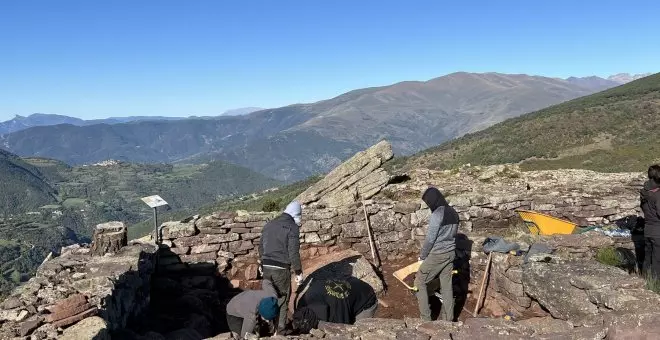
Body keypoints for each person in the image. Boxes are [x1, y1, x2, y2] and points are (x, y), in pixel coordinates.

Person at [258, 200, 304, 332]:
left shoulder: (269, 224)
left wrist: (262, 262)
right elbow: (293, 253)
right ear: (296, 214)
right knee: (283, 299)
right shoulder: (292, 227)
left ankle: (270, 327)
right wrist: (298, 272)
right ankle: (281, 329)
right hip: (281, 268)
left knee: (270, 296)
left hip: (266, 267)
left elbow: (261, 247)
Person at [415, 186, 459, 321]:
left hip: (438, 254)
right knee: (446, 286)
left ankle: (426, 319)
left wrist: (422, 257)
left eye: (428, 202)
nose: (429, 205)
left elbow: (430, 239)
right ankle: (448, 319)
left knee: (419, 282)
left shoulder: (437, 214)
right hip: (450, 253)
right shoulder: (453, 212)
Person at [291, 276, 378, 334]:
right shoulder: (305, 300)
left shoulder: (337, 311)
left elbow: (344, 329)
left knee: (359, 332)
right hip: (352, 287)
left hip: (366, 298)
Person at [641, 164, 660, 279]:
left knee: (648, 258)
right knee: (657, 261)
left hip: (647, 229)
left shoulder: (644, 192)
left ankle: (644, 281)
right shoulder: (657, 194)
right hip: (658, 231)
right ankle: (656, 286)